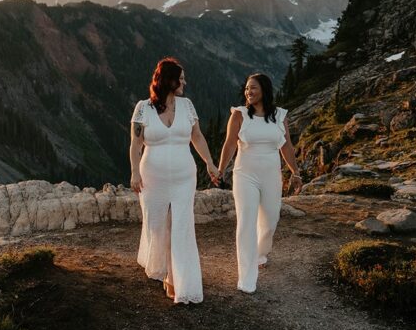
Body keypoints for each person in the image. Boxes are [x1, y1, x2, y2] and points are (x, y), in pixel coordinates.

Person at [129, 58, 218, 304]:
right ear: (169, 80)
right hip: (152, 178)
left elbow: (197, 137)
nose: (184, 82)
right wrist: (134, 172)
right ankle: (163, 268)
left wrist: (209, 163)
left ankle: (179, 281)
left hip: (183, 177)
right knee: (157, 225)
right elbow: (136, 144)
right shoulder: (143, 108)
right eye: (181, 78)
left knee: (181, 225)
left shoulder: (187, 106)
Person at [216, 73, 302, 293]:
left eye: (252, 88)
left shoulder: (280, 115)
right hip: (245, 174)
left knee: (270, 219)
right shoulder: (239, 115)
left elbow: (286, 146)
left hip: (272, 175)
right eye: (246, 88)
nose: (248, 92)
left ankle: (260, 253)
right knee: (246, 222)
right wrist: (220, 168)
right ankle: (246, 278)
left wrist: (295, 172)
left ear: (264, 89)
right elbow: (229, 145)